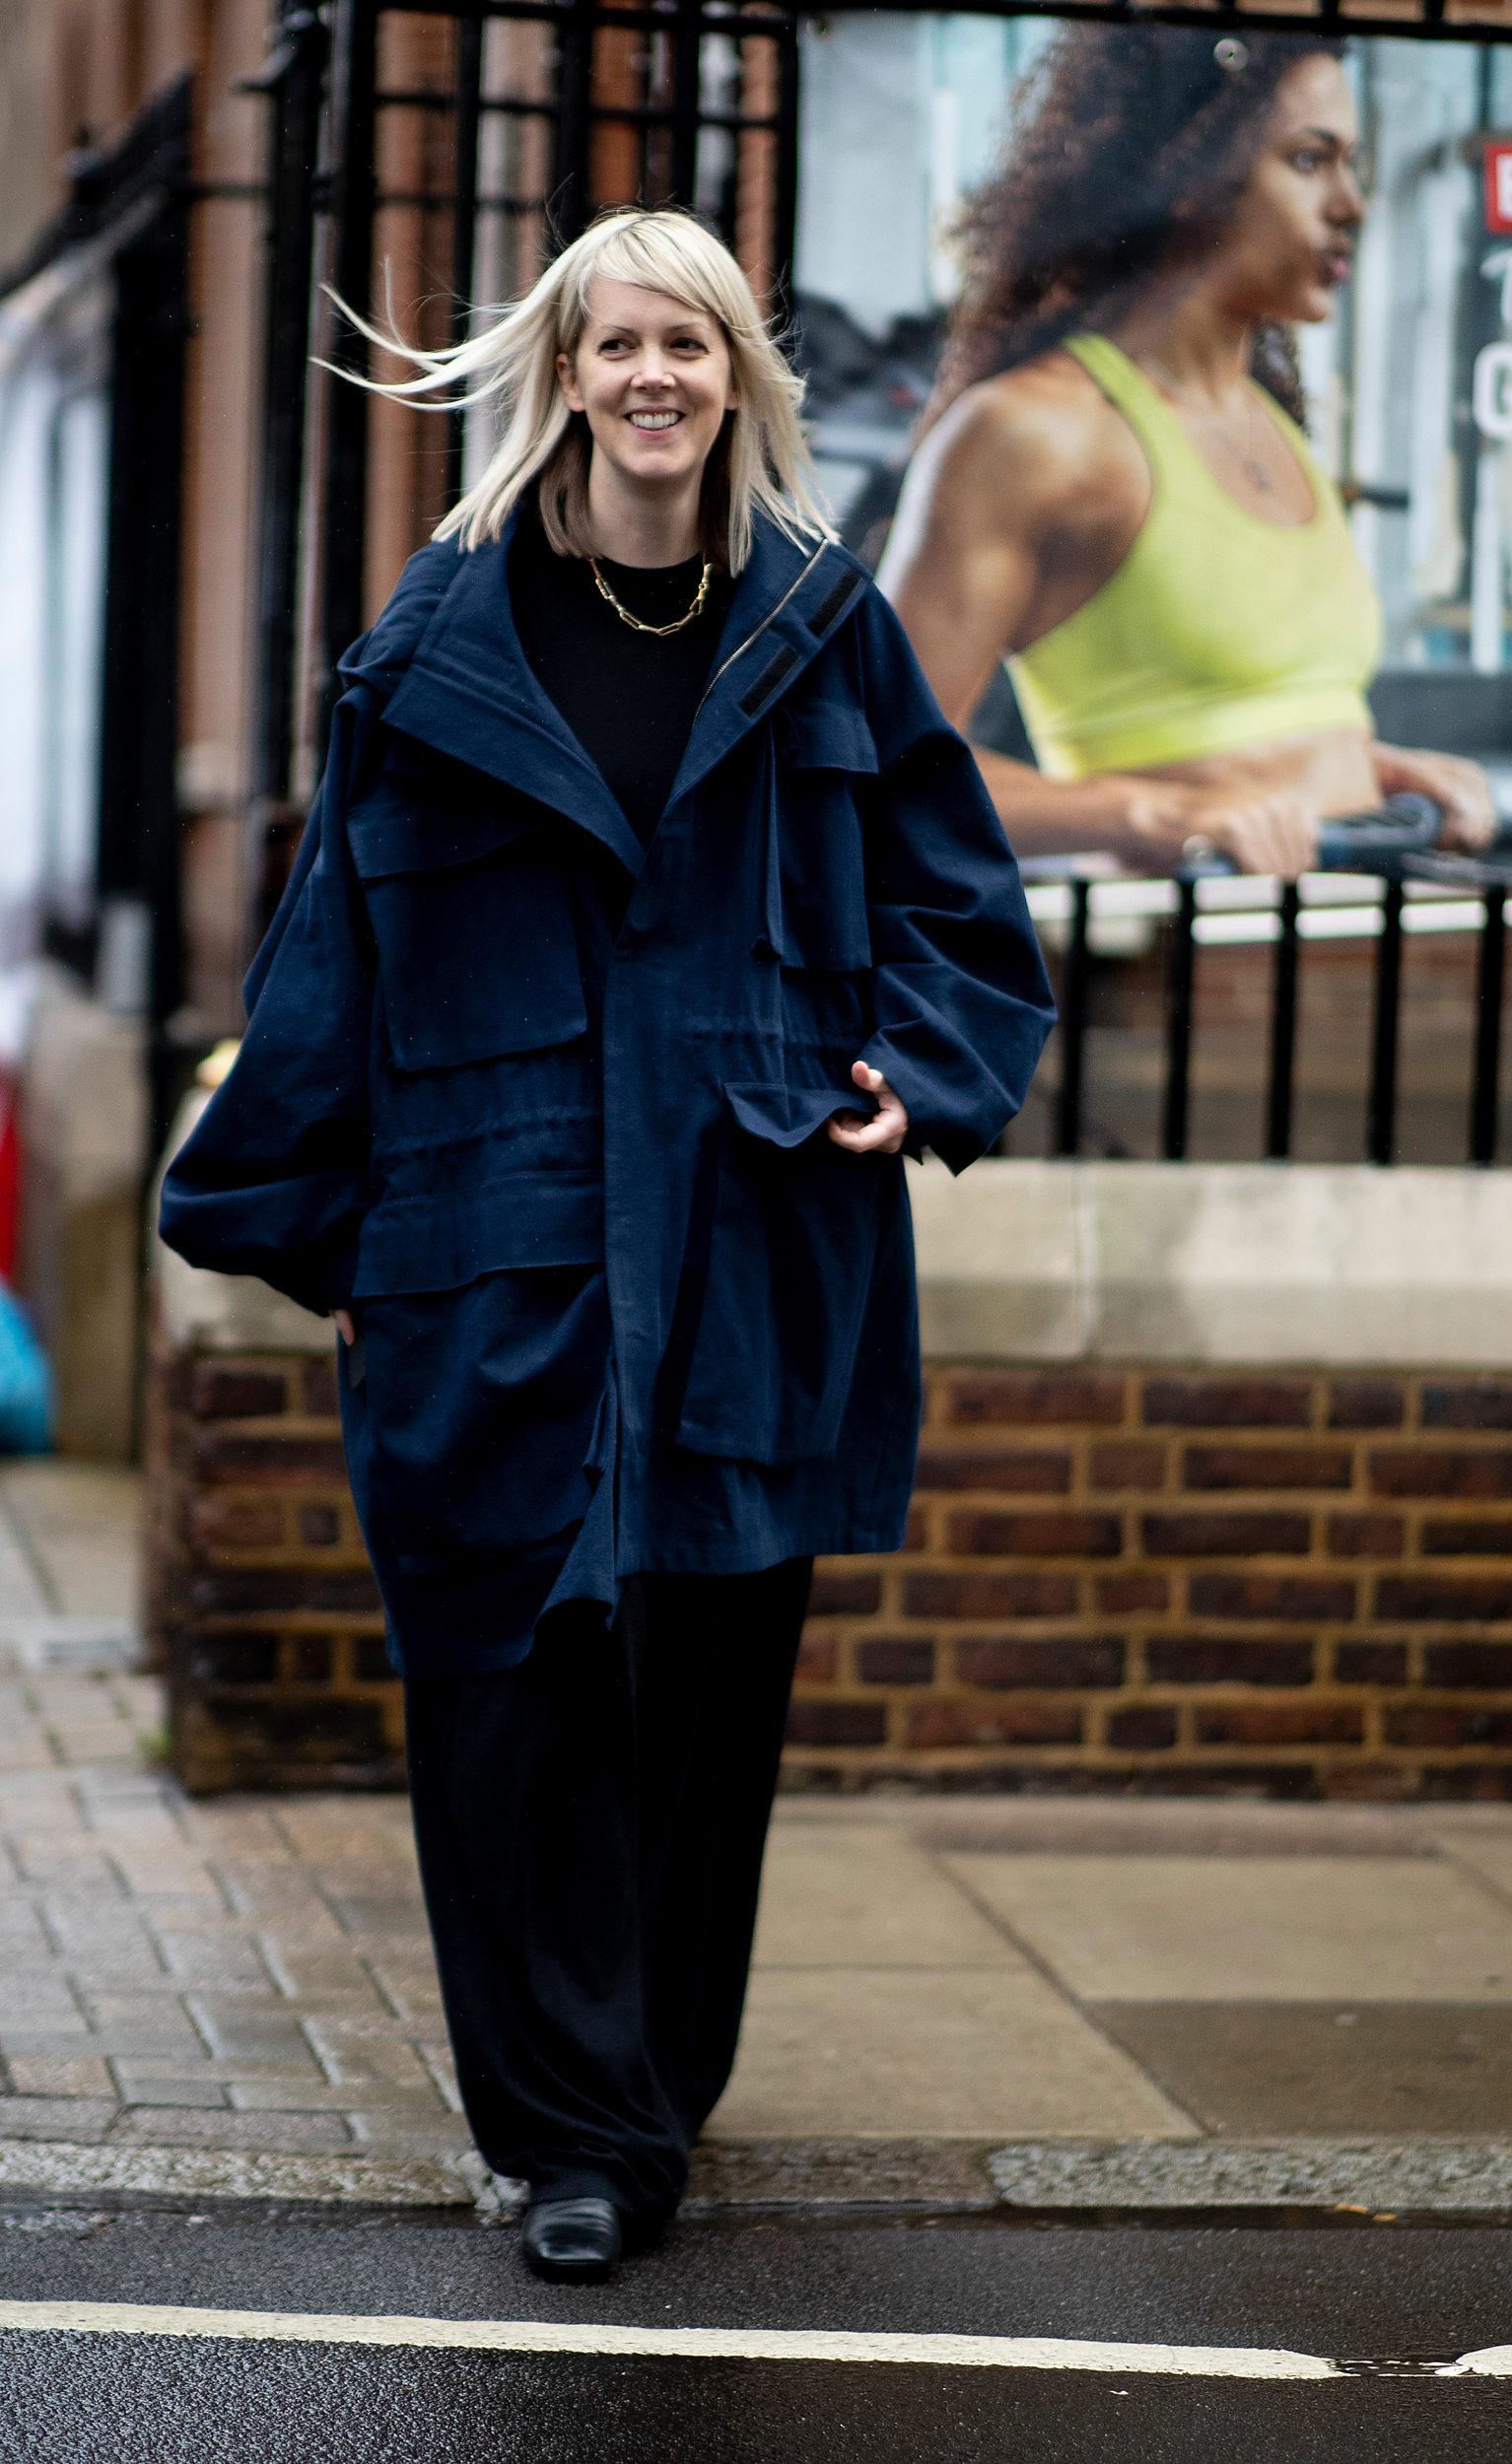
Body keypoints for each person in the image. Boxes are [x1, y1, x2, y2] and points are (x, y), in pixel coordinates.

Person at [159, 209, 1055, 2282]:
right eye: (619, 342)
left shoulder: (822, 626)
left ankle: (649, 2090)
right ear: (562, 372)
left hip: (748, 1238)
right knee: (515, 1695)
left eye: (692, 343)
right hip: (496, 1246)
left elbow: (959, 906)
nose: (655, 376)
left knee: (701, 1705)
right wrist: (326, 1234)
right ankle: (568, 2136)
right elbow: (329, 959)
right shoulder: (432, 650)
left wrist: (919, 1068)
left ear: (739, 379)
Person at [878, 26, 1496, 877]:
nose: (1350, 203)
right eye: (1309, 160)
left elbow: (1235, 729)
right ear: (1182, 174)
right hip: (1180, 945)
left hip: (1352, 928)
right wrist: (1154, 814)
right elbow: (882, 764)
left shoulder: (1271, 423)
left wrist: (1377, 773)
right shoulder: (1036, 432)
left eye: (1350, 164)